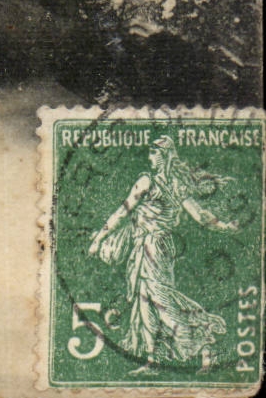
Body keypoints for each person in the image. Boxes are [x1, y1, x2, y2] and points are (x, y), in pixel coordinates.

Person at [87, 135, 240, 374]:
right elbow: (201, 217)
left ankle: (204, 346)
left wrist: (99, 239)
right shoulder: (177, 185)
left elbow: (123, 212)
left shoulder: (148, 182)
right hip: (158, 246)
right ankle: (153, 360)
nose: (150, 158)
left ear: (165, 155)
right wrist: (225, 226)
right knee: (146, 301)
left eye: (154, 153)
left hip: (152, 246)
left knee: (160, 302)